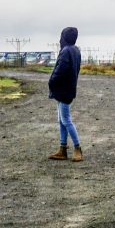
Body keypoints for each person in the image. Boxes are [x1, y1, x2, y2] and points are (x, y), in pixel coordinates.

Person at [47, 27, 83, 162]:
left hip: (63, 90)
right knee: (61, 120)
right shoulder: (76, 50)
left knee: (66, 120)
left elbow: (60, 70)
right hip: (68, 89)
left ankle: (78, 148)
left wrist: (51, 81)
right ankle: (62, 149)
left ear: (64, 37)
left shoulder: (66, 51)